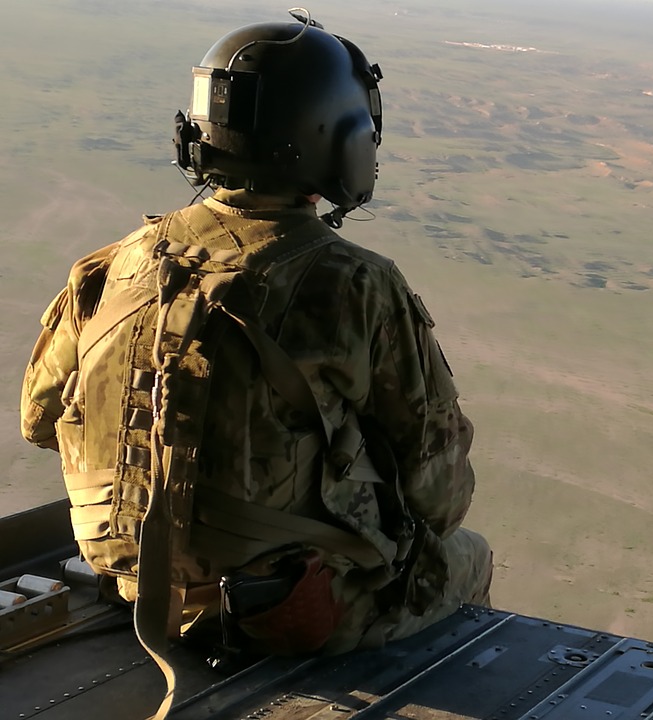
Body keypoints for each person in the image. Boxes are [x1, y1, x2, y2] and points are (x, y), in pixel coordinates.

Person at [19, 11, 492, 659]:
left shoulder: (110, 264)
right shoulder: (356, 283)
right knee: (469, 557)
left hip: (129, 581)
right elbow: (437, 494)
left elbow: (40, 423)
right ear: (340, 140)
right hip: (286, 609)